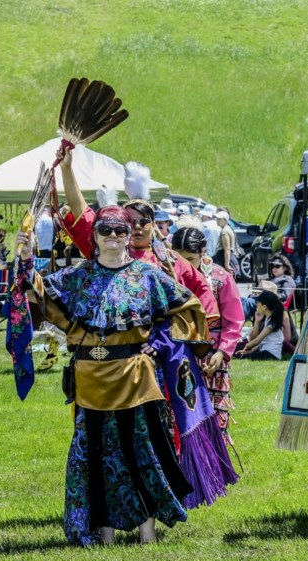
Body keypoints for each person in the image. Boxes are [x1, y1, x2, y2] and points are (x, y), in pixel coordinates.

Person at [13, 207, 209, 546]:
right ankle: (104, 532)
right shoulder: (79, 276)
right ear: (96, 237)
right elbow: (37, 293)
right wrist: (27, 257)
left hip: (136, 378)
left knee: (142, 452)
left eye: (122, 230)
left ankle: (148, 531)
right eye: (107, 231)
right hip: (90, 380)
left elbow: (189, 307)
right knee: (96, 454)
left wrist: (160, 343)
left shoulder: (147, 275)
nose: (115, 236)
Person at [58, 149, 218, 321]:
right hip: (112, 333)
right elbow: (81, 210)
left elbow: (201, 290)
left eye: (143, 222)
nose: (137, 228)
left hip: (159, 341)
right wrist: (66, 168)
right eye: (131, 223)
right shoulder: (106, 249)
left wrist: (200, 330)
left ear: (153, 225)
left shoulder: (169, 259)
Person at [170, 227, 245, 446]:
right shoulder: (166, 276)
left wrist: (222, 352)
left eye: (191, 259)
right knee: (178, 416)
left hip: (212, 358)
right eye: (179, 258)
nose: (185, 264)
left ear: (203, 252)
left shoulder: (220, 278)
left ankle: (214, 472)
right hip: (176, 355)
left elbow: (234, 321)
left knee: (213, 416)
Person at [235, 290, 285, 360]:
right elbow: (261, 342)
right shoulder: (269, 319)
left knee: (239, 355)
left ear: (264, 307)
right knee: (238, 350)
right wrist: (250, 351)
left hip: (271, 354)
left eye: (258, 303)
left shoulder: (272, 322)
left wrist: (247, 346)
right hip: (266, 352)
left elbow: (257, 340)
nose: (256, 305)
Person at [213, 210, 238, 274]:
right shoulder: (228, 228)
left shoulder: (225, 231)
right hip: (227, 257)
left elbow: (227, 249)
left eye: (219, 219)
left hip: (224, 259)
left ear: (225, 220)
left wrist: (226, 265)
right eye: (217, 219)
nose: (217, 220)